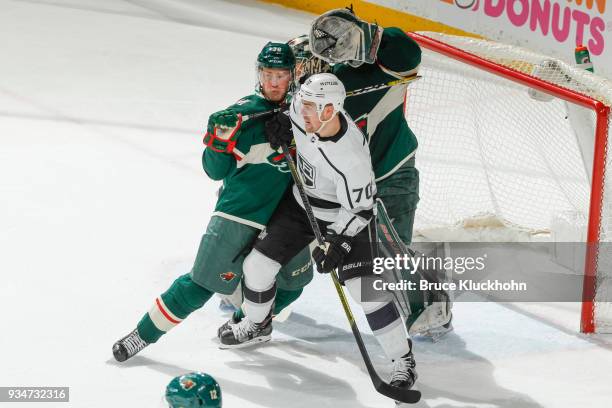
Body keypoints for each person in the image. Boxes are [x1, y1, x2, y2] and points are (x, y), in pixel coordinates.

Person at [218, 8, 452, 341]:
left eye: (301, 72)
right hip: (328, 190)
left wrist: (369, 39)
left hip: (389, 179)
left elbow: (407, 55)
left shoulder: (368, 79)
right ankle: (256, 299)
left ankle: (428, 291)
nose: (293, 83)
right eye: (291, 75)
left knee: (382, 264)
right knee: (270, 223)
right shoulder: (294, 104)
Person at [111, 42, 313, 362]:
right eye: (268, 74)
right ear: (258, 75)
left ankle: (249, 324)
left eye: (282, 75)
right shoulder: (241, 114)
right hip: (238, 215)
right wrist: (218, 144)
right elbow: (214, 171)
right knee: (201, 284)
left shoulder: (305, 112)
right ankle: (142, 335)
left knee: (295, 282)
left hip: (287, 217)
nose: (274, 82)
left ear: (292, 77)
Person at [219, 73, 418, 391]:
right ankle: (258, 322)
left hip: (346, 217)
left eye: (311, 107)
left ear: (330, 111)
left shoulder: (351, 156)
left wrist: (338, 243)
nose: (303, 111)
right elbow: (285, 110)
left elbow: (361, 209)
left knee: (365, 291)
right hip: (302, 206)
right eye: (303, 104)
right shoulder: (302, 108)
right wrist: (279, 123)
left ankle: (402, 359)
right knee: (256, 267)